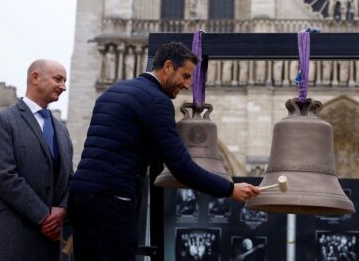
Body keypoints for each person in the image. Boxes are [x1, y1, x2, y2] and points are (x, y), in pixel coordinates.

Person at [69, 41, 259, 260]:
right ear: (167, 66)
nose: (188, 85)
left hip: (81, 199)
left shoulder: (112, 92)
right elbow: (181, 167)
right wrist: (229, 189)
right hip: (113, 202)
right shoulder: (157, 101)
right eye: (186, 76)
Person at [0, 59, 73, 261]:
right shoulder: (2, 121)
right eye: (58, 79)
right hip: (10, 238)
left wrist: (63, 210)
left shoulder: (62, 130)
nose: (64, 87)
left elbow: (69, 178)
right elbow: (3, 177)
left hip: (48, 244)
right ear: (35, 78)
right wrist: (44, 216)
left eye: (65, 81)